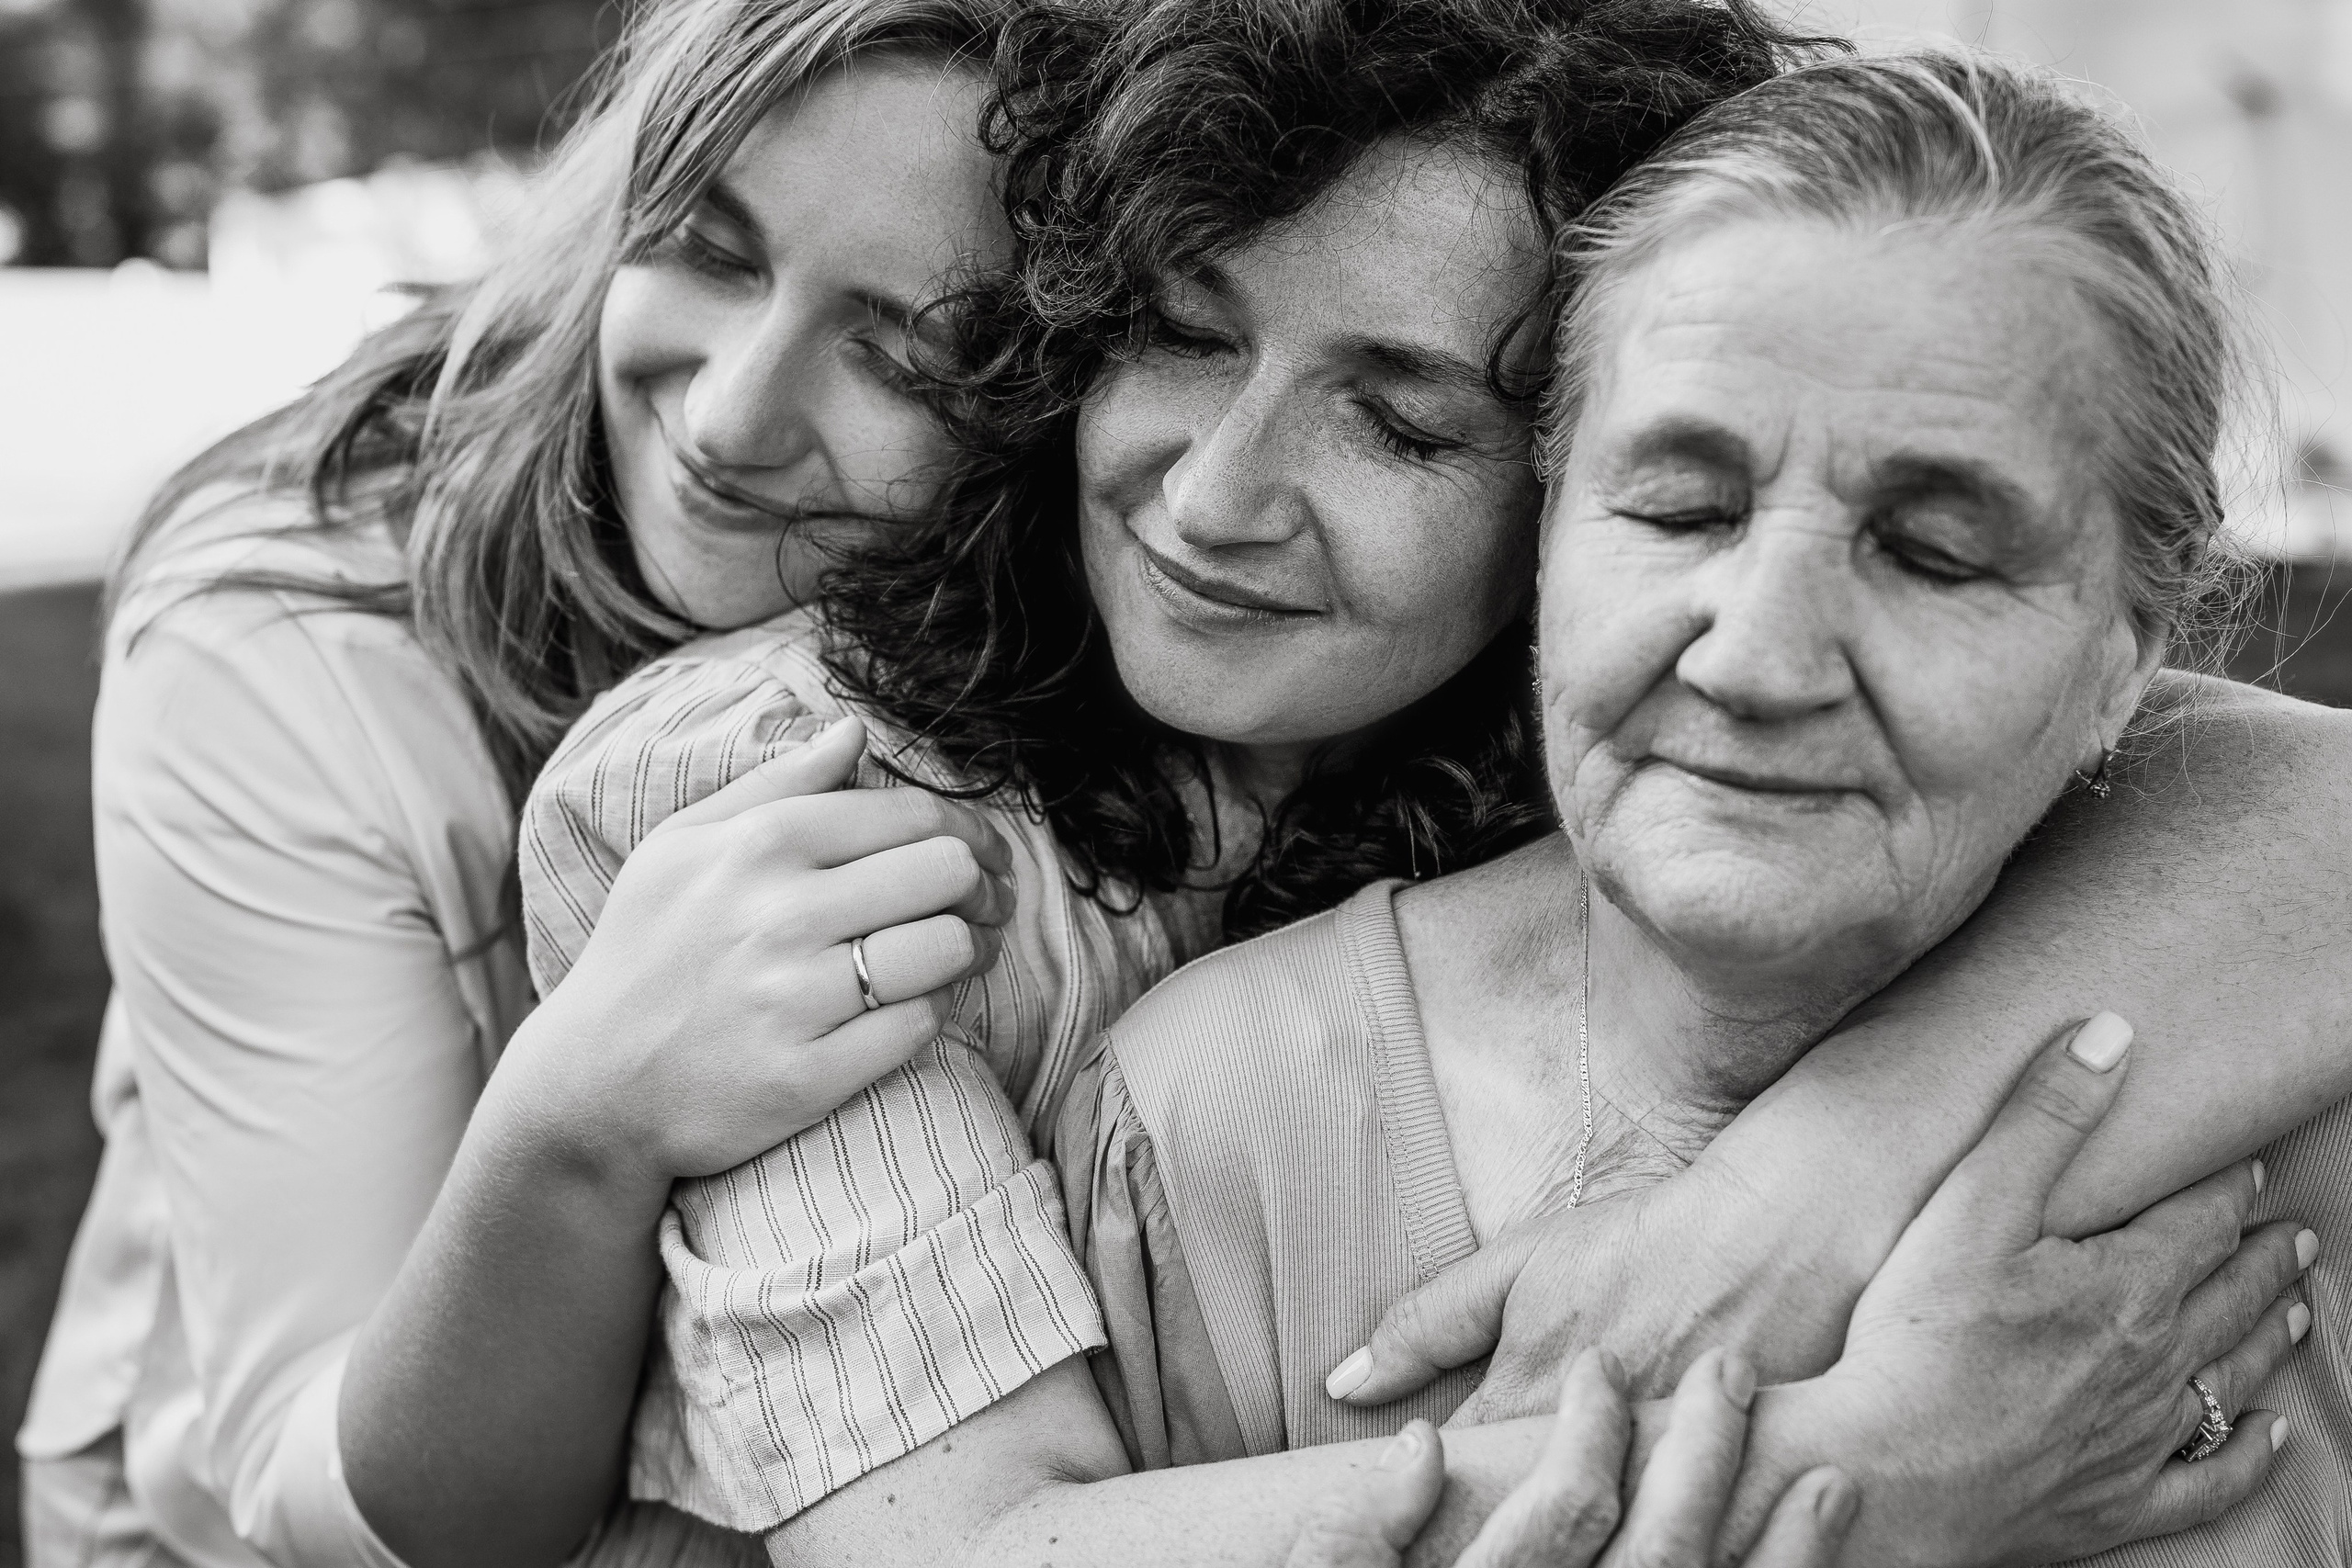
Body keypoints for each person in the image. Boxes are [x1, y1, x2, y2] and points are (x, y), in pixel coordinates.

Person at [517, 3, 2349, 1562]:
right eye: (1178, 329)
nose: (1216, 498)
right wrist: (1856, 1468)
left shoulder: (1660, 777)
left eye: (1398, 420)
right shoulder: (809, 814)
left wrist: (1795, 1187)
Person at [1048, 45, 2345, 1565]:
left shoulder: (2309, 1123)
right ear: (1543, 548)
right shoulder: (1213, 1140)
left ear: (2127, 659)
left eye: (1933, 553)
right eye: (1680, 508)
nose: (1760, 657)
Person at [16, 3, 1050, 1565]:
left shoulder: (1070, 636)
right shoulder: (287, 655)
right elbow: (318, 1493)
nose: (727, 419)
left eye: (903, 351)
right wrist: (586, 1113)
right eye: (709, 247)